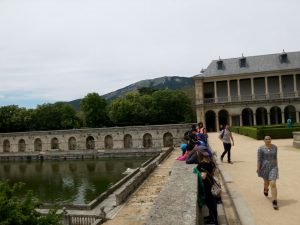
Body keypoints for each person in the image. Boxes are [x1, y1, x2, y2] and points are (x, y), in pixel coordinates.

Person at [196, 150, 219, 225]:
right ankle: (211, 217)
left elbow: (203, 177)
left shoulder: (203, 165)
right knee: (212, 202)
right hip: (210, 184)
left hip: (207, 186)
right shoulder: (211, 163)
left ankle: (214, 221)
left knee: (210, 203)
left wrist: (197, 174)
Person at [257, 135, 279, 210]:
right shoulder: (260, 149)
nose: (268, 140)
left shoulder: (275, 147)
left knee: (272, 183)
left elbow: (275, 157)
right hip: (264, 167)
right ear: (264, 140)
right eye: (266, 139)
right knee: (266, 182)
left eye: (269, 139)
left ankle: (274, 201)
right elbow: (259, 159)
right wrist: (258, 168)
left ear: (271, 139)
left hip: (273, 167)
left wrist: (277, 167)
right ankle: (265, 189)